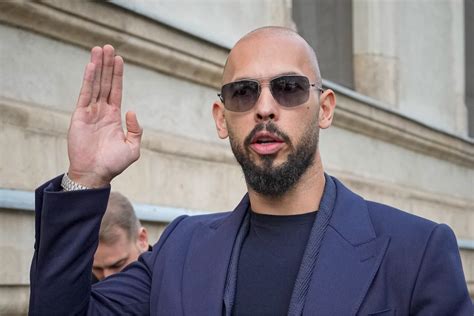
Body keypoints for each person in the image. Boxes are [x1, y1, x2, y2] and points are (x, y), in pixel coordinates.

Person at [29, 27, 472, 315]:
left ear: (325, 109)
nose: (265, 107)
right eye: (243, 93)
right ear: (222, 119)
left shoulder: (416, 251)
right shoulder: (178, 251)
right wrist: (85, 178)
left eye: (289, 88)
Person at [91, 192, 150, 283]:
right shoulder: (79, 287)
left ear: (142, 239)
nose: (107, 277)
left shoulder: (167, 283)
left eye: (117, 265)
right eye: (97, 269)